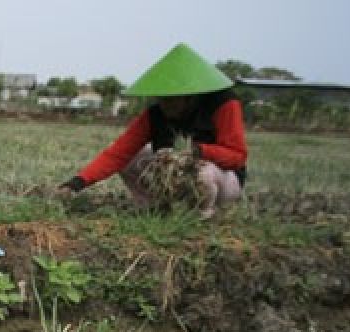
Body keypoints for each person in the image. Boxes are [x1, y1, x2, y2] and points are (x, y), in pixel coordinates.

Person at [57, 43, 247, 218]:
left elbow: (237, 156)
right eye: (161, 98)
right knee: (131, 158)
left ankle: (203, 216)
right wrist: (77, 183)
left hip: (223, 181)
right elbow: (117, 153)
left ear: (190, 96)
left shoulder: (223, 104)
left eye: (171, 99)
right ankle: (155, 209)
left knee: (202, 172)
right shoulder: (155, 114)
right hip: (175, 179)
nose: (165, 104)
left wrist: (201, 152)